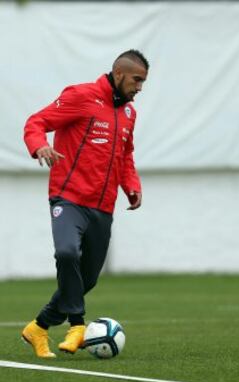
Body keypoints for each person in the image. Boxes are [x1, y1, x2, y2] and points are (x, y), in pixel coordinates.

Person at [22, 49, 149, 358]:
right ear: (119, 74)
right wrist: (39, 146)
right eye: (136, 80)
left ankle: (38, 327)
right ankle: (77, 324)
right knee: (67, 253)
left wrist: (131, 185)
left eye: (144, 81)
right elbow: (36, 121)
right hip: (68, 198)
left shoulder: (130, 114)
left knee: (87, 278)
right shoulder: (81, 96)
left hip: (103, 206)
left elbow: (125, 154)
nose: (140, 87)